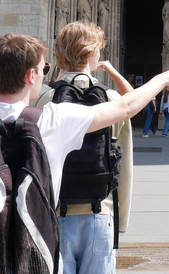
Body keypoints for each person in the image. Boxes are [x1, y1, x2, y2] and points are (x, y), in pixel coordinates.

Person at [0, 33, 169, 274]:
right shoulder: (52, 122)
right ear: (31, 76)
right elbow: (126, 107)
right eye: (44, 69)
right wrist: (164, 78)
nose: (46, 74)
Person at [35, 20, 134, 274]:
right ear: (92, 54)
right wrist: (120, 221)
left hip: (55, 215)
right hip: (100, 214)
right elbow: (123, 165)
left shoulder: (44, 99)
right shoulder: (112, 100)